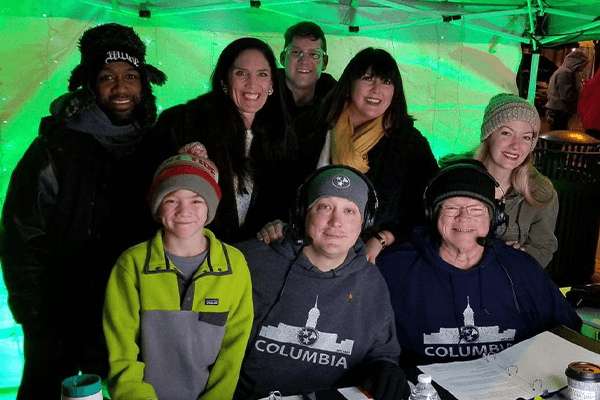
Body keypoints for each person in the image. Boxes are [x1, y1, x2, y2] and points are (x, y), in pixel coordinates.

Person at [0, 23, 166, 398]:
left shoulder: (157, 144)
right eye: (107, 77)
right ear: (89, 84)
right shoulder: (56, 147)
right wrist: (36, 316)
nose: (121, 88)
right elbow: (22, 237)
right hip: (61, 318)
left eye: (130, 76)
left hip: (134, 315)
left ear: (144, 83)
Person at [377, 160, 582, 368]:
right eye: (451, 207)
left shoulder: (521, 269)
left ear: (494, 218)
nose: (463, 217)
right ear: (433, 214)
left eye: (476, 209)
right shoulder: (394, 268)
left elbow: (567, 333)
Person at [235, 166, 407, 400]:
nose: (336, 221)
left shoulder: (371, 281)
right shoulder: (249, 261)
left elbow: (383, 353)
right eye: (325, 207)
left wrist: (385, 369)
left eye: (349, 211)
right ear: (301, 214)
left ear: (364, 223)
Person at [103, 143, 253, 400]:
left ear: (210, 208)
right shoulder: (132, 264)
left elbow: (233, 349)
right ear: (158, 206)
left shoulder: (235, 265)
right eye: (172, 200)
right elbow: (121, 352)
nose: (184, 211)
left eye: (196, 200)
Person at [280, 47, 438, 263]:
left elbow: (428, 207)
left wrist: (384, 237)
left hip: (371, 258)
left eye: (386, 82)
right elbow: (280, 185)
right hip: (305, 251)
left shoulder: (409, 143)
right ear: (349, 84)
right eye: (367, 78)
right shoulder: (311, 126)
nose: (376, 89)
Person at [152, 37, 297, 244]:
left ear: (272, 83)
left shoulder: (282, 135)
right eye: (241, 73)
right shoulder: (184, 125)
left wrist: (279, 224)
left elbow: (286, 203)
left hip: (253, 259)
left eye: (262, 74)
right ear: (224, 81)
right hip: (194, 255)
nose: (252, 84)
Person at [476, 93, 558, 267]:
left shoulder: (541, 193)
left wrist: (521, 257)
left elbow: (543, 247)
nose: (516, 145)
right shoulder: (454, 180)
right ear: (488, 134)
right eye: (506, 133)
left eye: (526, 137)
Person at [278, 21, 337, 118]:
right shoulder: (264, 90)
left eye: (314, 54)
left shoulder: (334, 97)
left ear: (324, 62)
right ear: (283, 58)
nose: (304, 61)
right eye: (296, 52)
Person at [545, 49, 589, 131]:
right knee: (558, 137)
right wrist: (579, 97)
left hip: (556, 112)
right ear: (576, 63)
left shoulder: (563, 71)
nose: (582, 69)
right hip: (558, 113)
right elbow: (566, 95)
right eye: (582, 66)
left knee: (556, 137)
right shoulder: (565, 73)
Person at [578, 69, 600, 139]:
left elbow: (582, 102)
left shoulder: (589, 83)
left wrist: (582, 116)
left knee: (590, 142)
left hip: (589, 121)